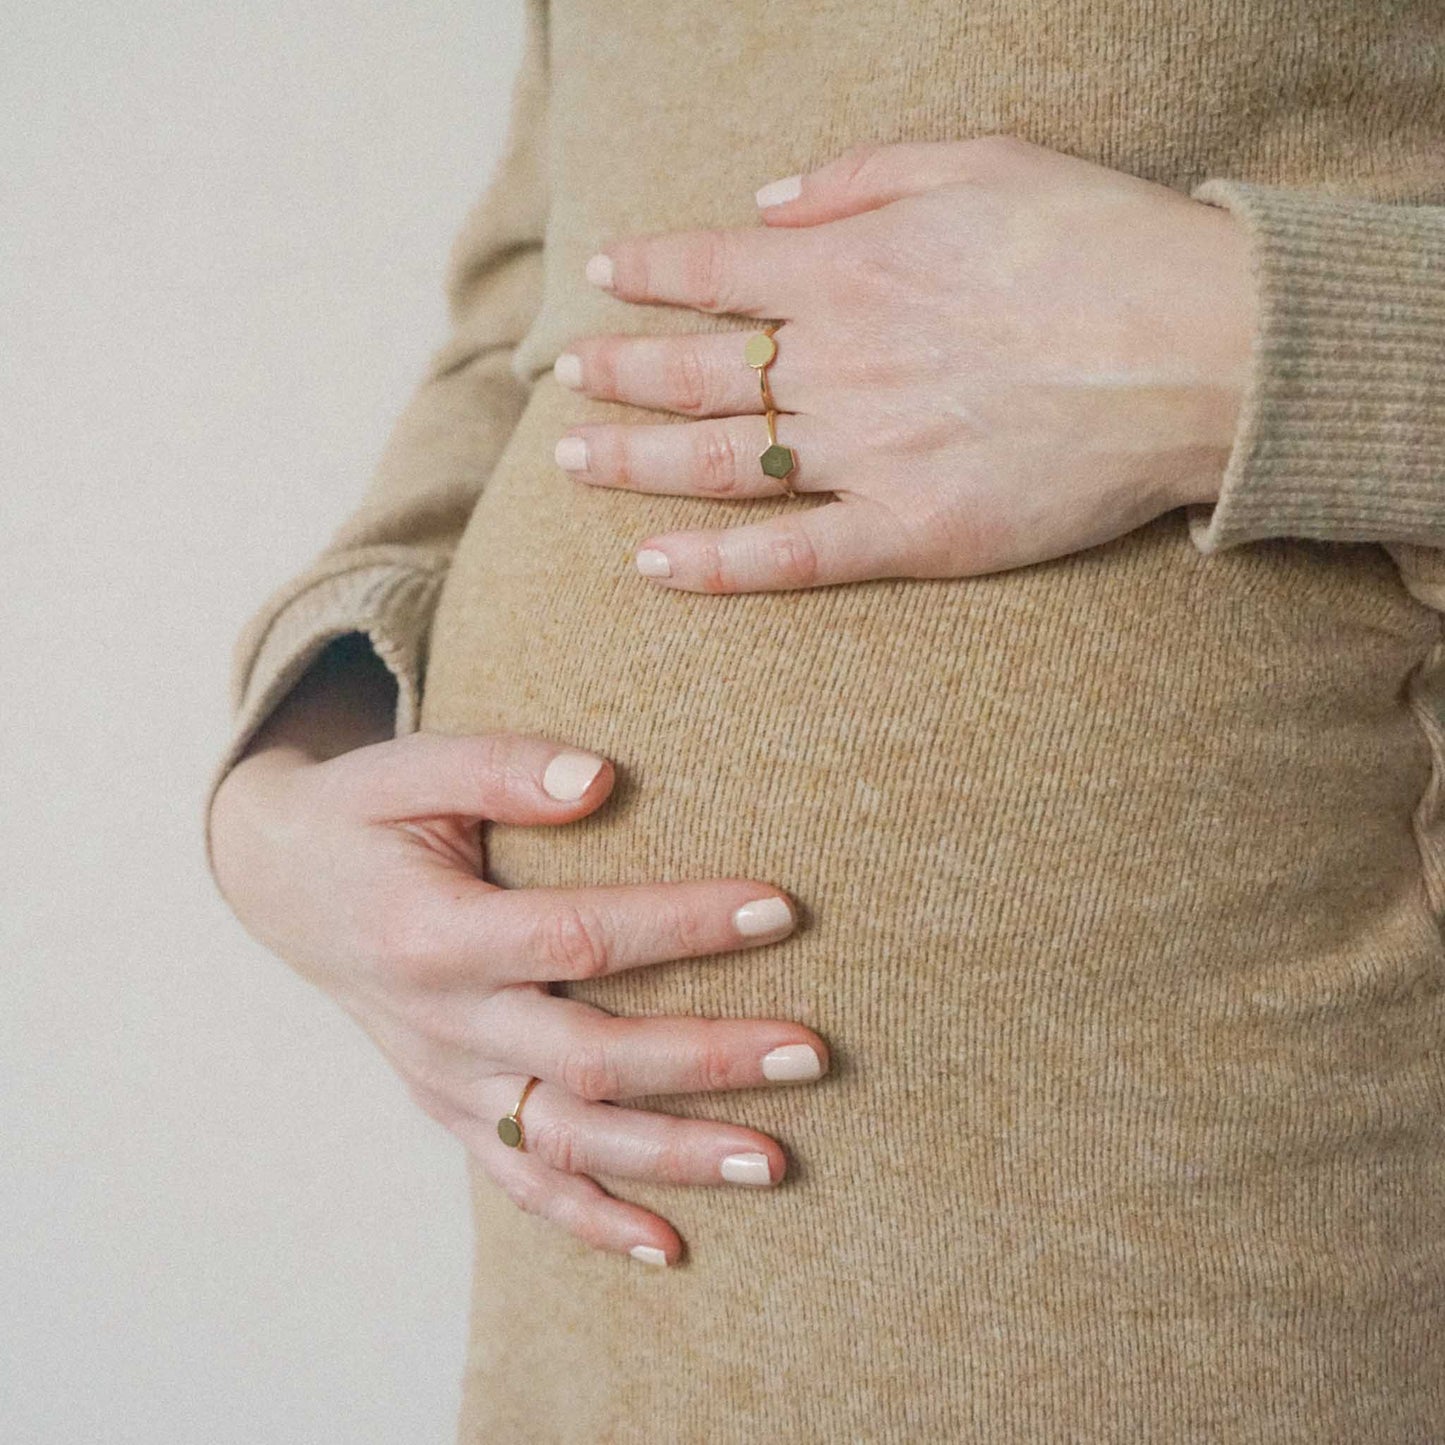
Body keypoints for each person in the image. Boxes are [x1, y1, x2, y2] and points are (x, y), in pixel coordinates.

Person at [205, 0, 1445, 1438]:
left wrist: (1259, 343)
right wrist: (298, 767)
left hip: (1257, 1216)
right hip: (613, 1298)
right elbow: (517, 340)